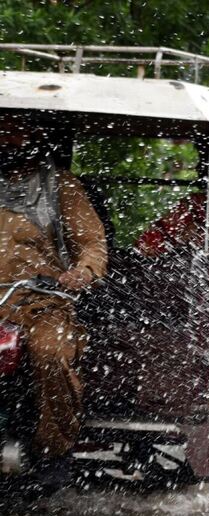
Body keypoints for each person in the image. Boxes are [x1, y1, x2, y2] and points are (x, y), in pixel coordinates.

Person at [0, 118, 107, 482]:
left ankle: (53, 451)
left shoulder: (61, 186)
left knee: (50, 352)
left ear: (34, 137)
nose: (7, 138)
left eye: (15, 131)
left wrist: (82, 272)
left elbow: (92, 244)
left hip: (41, 303)